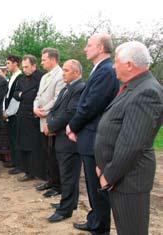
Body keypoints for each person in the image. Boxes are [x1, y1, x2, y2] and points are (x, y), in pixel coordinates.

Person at [95, 41, 163, 235]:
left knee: (131, 230)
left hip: (130, 178)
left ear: (129, 64)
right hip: (121, 175)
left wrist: (109, 175)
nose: (114, 66)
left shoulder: (147, 92)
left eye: (116, 62)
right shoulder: (133, 86)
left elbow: (132, 144)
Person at [66, 33, 119, 234]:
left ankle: (100, 227)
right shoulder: (100, 69)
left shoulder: (106, 71)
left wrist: (73, 126)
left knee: (97, 186)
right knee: (91, 184)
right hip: (90, 135)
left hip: (96, 136)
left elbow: (90, 105)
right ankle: (94, 220)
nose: (85, 49)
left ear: (100, 48)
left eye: (89, 45)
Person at [45, 59, 85, 222]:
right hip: (59, 136)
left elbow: (70, 113)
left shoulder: (80, 88)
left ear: (76, 72)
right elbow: (55, 108)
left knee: (69, 176)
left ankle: (65, 210)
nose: (63, 73)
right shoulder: (67, 88)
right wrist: (50, 122)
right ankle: (69, 203)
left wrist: (51, 126)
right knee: (66, 174)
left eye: (66, 70)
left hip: (69, 140)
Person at [34, 48, 65, 197]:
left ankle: (57, 185)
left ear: (53, 60)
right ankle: (50, 180)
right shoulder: (44, 76)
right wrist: (35, 108)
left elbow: (58, 99)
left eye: (44, 59)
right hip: (41, 119)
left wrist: (43, 111)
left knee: (53, 154)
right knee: (46, 153)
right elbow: (38, 96)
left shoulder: (61, 75)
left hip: (51, 120)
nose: (42, 62)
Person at [13, 55, 44, 182]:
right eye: (23, 67)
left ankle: (38, 171)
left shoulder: (41, 77)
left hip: (34, 116)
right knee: (23, 144)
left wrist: (24, 95)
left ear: (34, 66)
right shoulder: (21, 78)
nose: (24, 69)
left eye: (26, 67)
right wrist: (21, 94)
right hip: (22, 115)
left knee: (35, 146)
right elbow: (16, 93)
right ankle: (27, 171)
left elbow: (37, 96)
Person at [3, 55, 24, 175]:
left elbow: (16, 99)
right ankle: (14, 161)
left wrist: (8, 112)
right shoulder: (13, 77)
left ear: (15, 63)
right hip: (10, 113)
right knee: (11, 138)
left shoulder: (20, 77)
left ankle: (19, 165)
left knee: (16, 139)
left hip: (15, 113)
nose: (7, 65)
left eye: (8, 63)